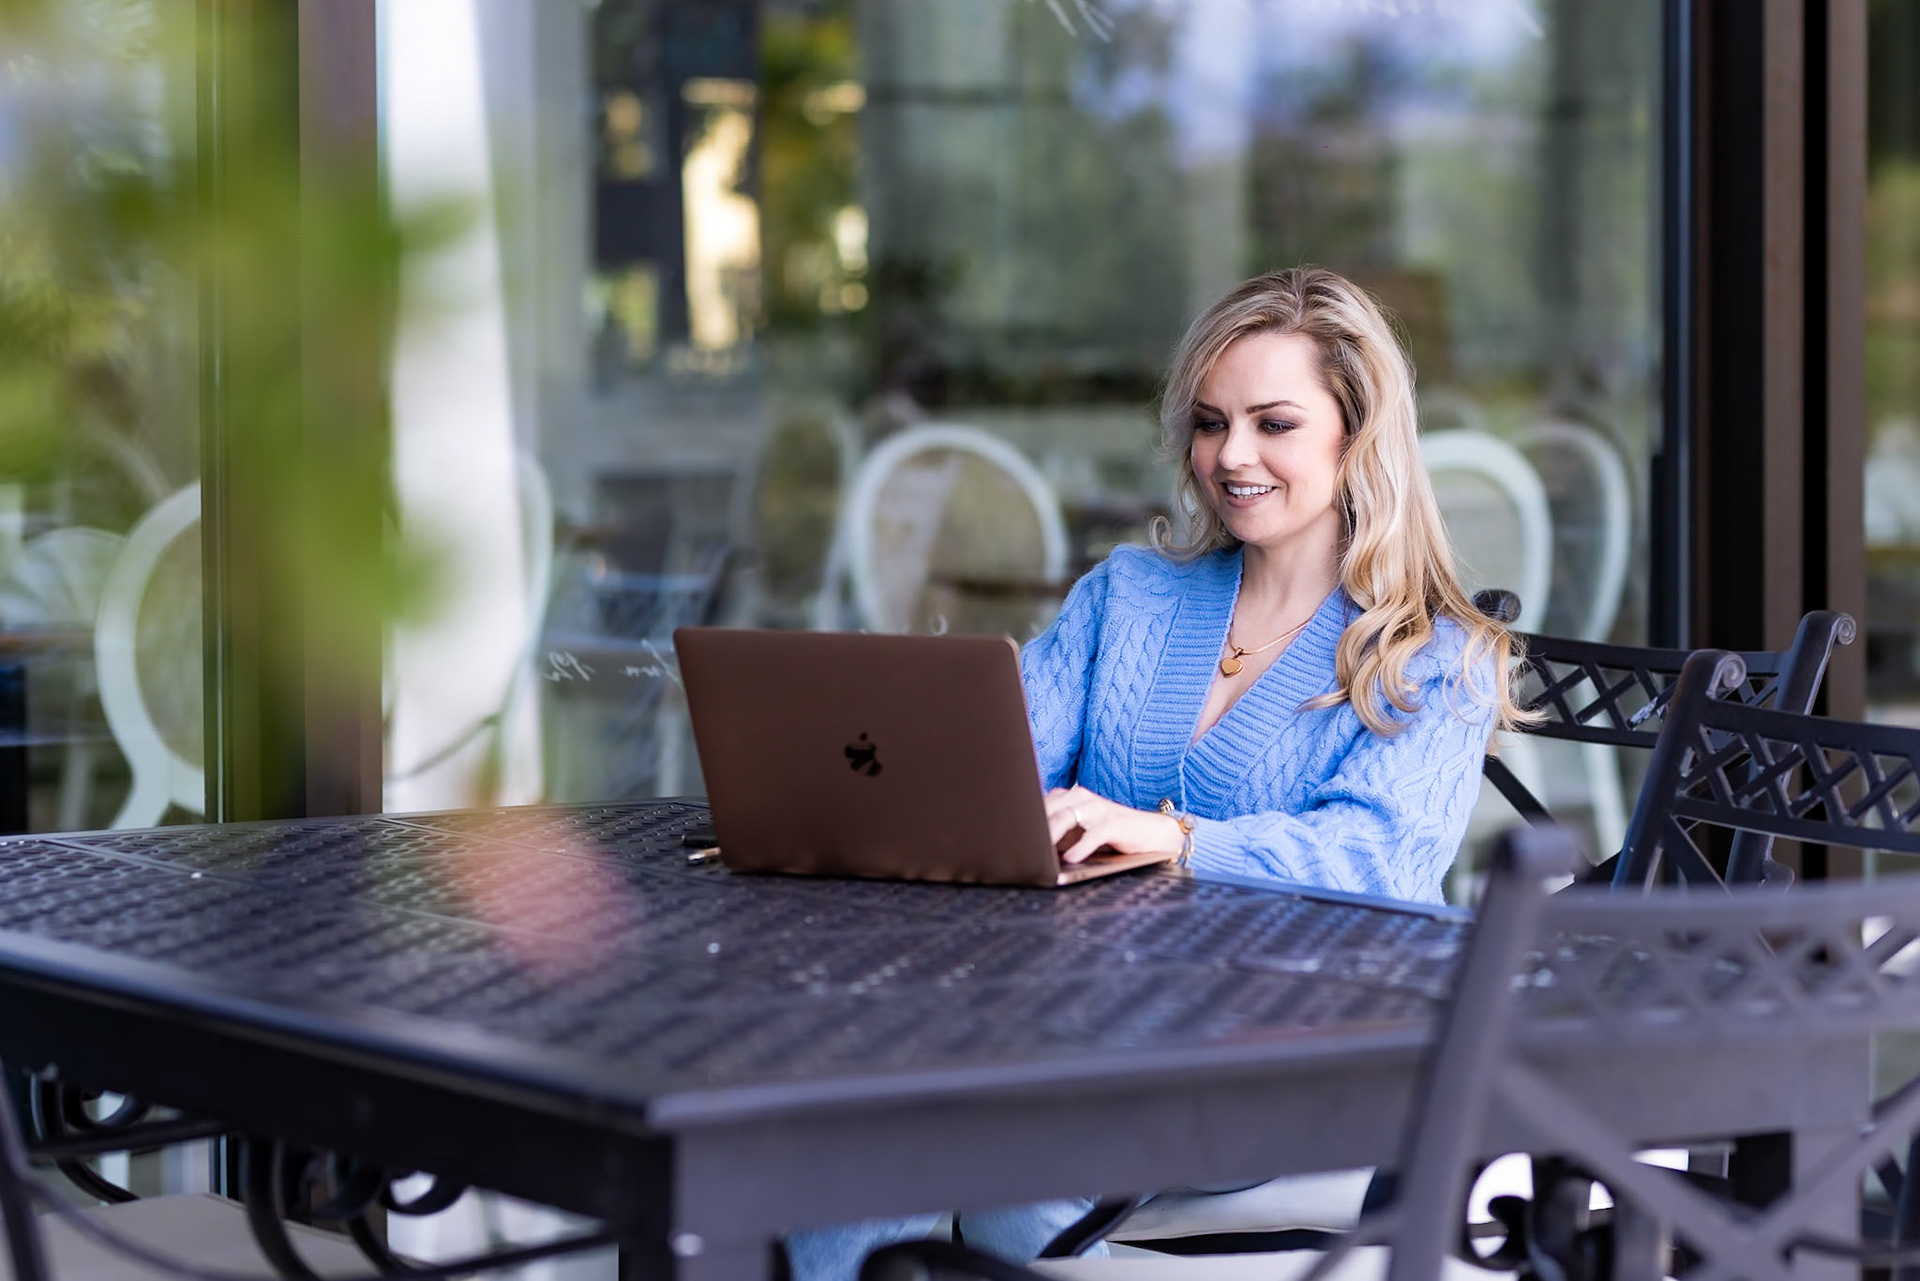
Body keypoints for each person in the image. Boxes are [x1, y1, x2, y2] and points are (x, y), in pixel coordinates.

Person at [784, 266, 1526, 1281]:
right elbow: (994, 764)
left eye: (1274, 424)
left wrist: (1179, 839)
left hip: (1286, 1049)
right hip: (1072, 1016)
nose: (1232, 455)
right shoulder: (1127, 595)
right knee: (839, 1121)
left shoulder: (1434, 657)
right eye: (1211, 424)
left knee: (1009, 1168)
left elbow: (1379, 864)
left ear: (1357, 438)